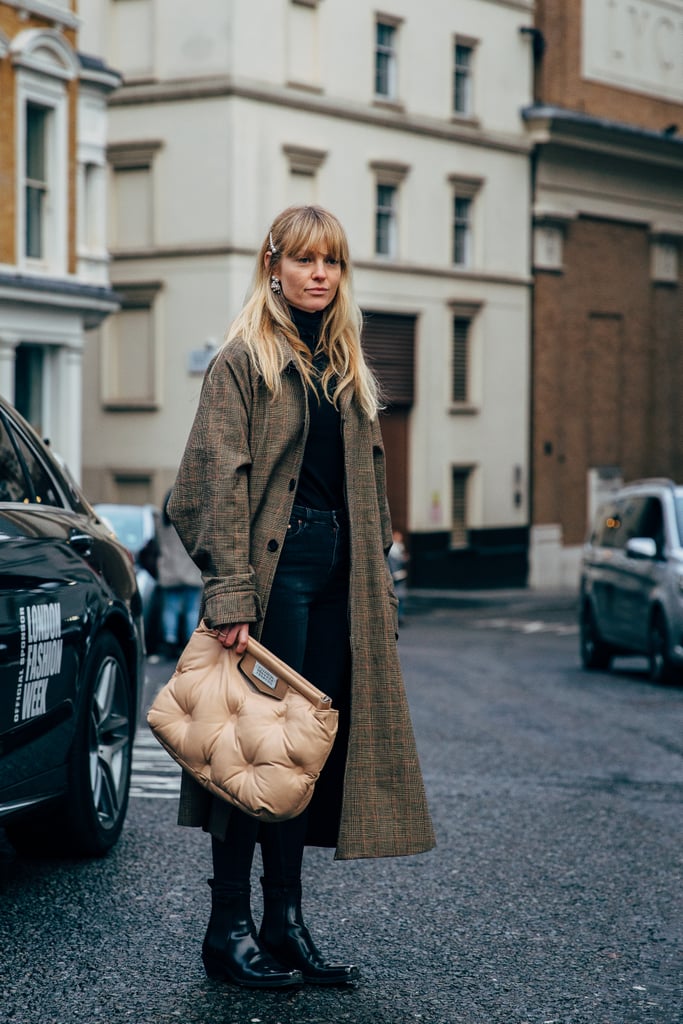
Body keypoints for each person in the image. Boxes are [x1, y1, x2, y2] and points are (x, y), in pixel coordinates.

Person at [167, 204, 435, 990]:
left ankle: (282, 923)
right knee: (251, 748)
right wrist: (230, 590)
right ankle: (227, 928)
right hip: (273, 571)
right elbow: (208, 482)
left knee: (303, 757)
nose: (320, 273)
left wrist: (378, 587)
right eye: (306, 259)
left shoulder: (346, 365)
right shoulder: (243, 359)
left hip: (339, 573)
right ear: (273, 264)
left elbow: (370, 492)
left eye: (334, 262)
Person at [157, 489, 203, 658]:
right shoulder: (192, 521)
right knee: (192, 609)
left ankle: (170, 641)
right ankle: (190, 644)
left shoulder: (163, 522)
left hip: (170, 570)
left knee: (170, 609)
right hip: (190, 569)